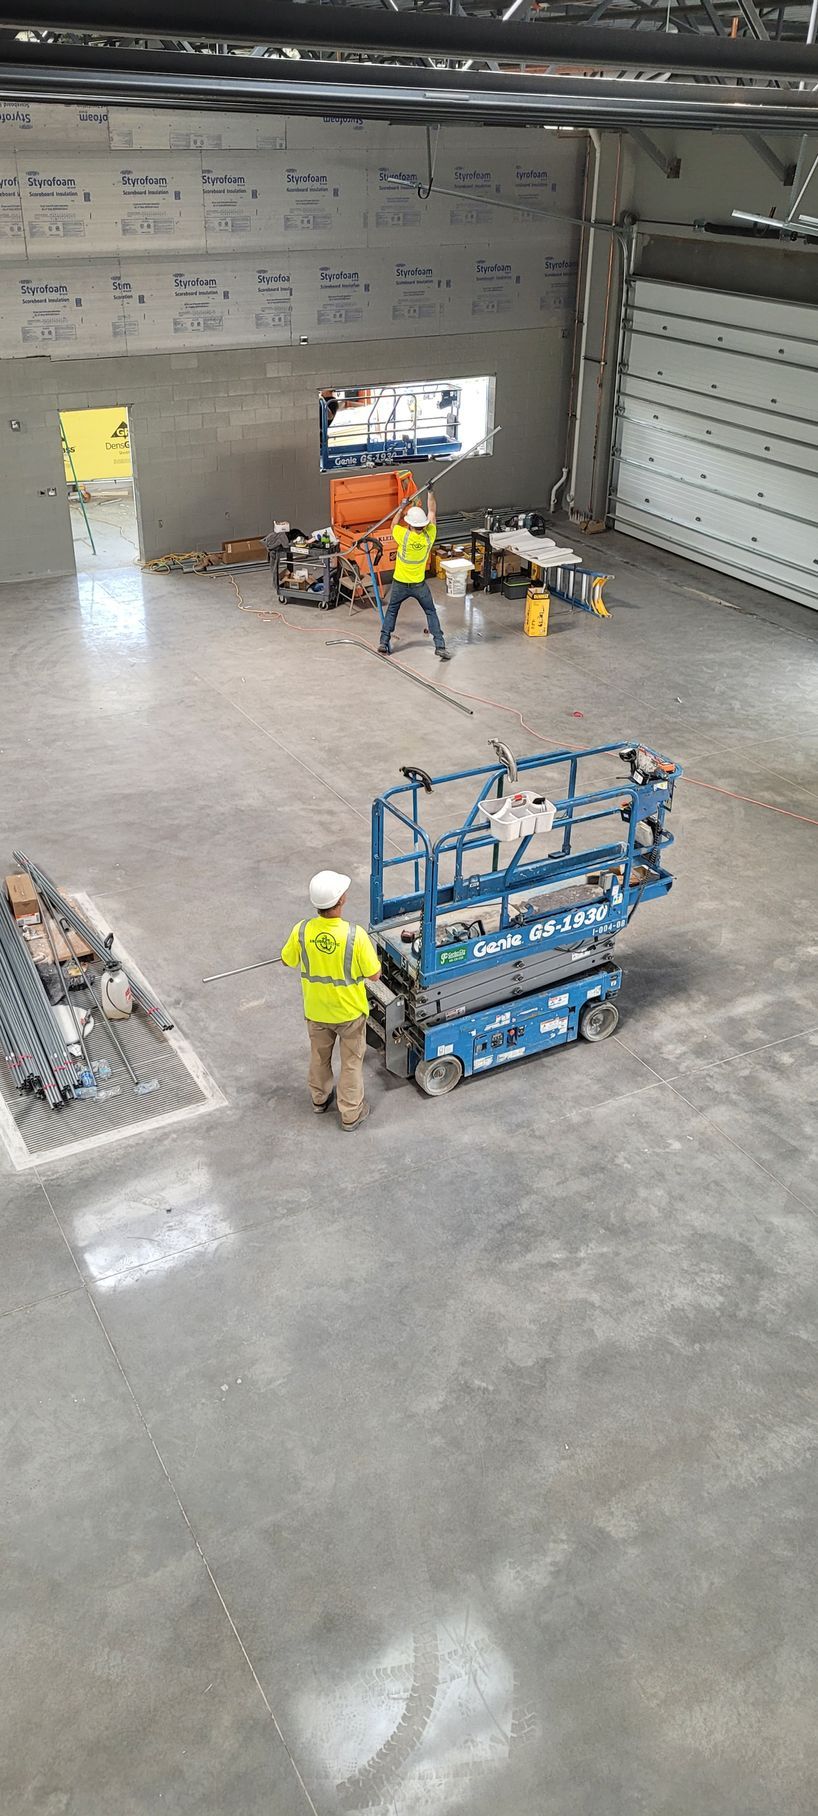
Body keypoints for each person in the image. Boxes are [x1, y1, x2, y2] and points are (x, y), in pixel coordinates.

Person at [280, 870, 381, 1131]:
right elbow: (374, 975)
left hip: (316, 1011)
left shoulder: (301, 930)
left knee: (319, 1057)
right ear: (342, 900)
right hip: (349, 1013)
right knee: (351, 1064)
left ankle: (319, 1098)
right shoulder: (355, 935)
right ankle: (350, 1114)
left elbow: (287, 960)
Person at [378, 487, 451, 661]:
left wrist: (401, 507)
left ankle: (383, 641)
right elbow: (432, 510)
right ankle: (440, 645)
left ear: (410, 523)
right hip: (419, 584)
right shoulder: (429, 535)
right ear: (423, 524)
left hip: (399, 583)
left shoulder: (402, 535)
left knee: (392, 611)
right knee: (430, 612)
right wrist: (431, 492)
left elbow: (393, 524)